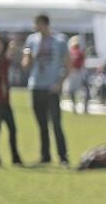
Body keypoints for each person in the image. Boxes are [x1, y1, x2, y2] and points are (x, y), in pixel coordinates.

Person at [21, 14, 70, 165]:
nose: (36, 28)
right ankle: (45, 156)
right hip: (36, 85)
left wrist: (60, 83)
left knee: (56, 123)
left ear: (45, 24)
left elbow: (68, 63)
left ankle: (63, 156)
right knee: (42, 124)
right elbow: (25, 66)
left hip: (51, 87)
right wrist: (27, 57)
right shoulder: (31, 40)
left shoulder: (60, 40)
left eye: (38, 24)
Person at [0, 33, 23, 166]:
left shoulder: (4, 60)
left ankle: (15, 158)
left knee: (12, 129)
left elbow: (10, 54)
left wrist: (12, 44)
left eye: (0, 45)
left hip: (5, 100)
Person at [65, 35, 89, 114]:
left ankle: (76, 107)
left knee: (73, 91)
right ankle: (83, 108)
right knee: (84, 90)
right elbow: (82, 63)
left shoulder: (72, 52)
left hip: (73, 72)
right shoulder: (79, 53)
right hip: (78, 72)